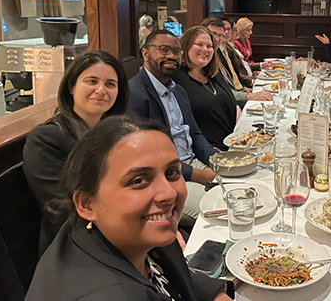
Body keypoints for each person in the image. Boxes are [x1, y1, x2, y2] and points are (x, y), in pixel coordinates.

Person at [25, 116, 233, 301]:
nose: (168, 193)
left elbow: (173, 276)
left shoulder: (121, 231)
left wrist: (215, 294)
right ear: (86, 204)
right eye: (139, 180)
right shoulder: (109, 293)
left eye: (171, 172)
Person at [23, 51, 128, 252]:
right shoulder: (45, 139)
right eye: (91, 81)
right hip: (75, 244)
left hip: (120, 229)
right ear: (71, 86)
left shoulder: (117, 132)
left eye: (110, 84)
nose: (101, 90)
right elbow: (61, 207)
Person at [128, 29, 216, 224]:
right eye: (163, 49)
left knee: (240, 193)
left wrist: (214, 160)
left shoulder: (177, 91)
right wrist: (194, 174)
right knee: (218, 211)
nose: (171, 56)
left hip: (191, 162)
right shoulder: (134, 94)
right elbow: (144, 156)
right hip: (164, 177)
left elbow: (195, 133)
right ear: (145, 53)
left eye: (176, 52)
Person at [174, 25, 237, 152]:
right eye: (199, 45)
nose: (205, 50)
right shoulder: (177, 80)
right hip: (204, 152)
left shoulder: (214, 74)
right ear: (185, 46)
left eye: (209, 46)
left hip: (230, 145)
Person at [203, 17, 272, 108]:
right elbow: (219, 92)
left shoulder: (226, 49)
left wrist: (242, 89)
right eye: (213, 34)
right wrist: (246, 92)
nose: (216, 39)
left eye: (220, 35)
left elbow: (231, 79)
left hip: (237, 93)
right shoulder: (208, 59)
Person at [220, 17, 255, 88]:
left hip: (245, 82)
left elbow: (244, 64)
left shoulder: (229, 46)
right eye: (235, 30)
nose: (236, 32)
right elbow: (235, 73)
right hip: (243, 84)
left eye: (229, 29)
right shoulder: (221, 50)